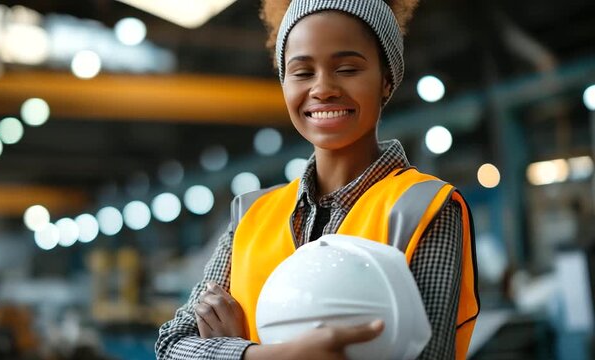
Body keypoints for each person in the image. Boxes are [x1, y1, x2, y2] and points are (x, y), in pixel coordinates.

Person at [155, 0, 479, 359]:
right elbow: (171, 346)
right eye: (302, 72)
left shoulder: (424, 208)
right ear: (283, 82)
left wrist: (231, 348)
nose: (323, 88)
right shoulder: (250, 215)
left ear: (387, 80)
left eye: (347, 68)